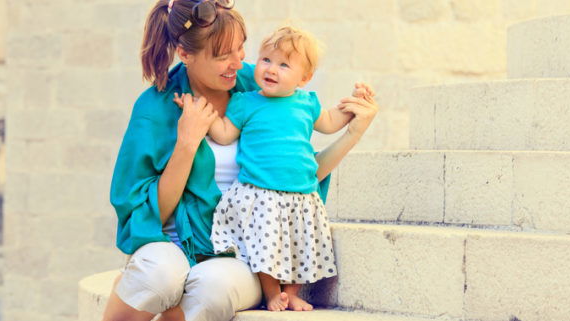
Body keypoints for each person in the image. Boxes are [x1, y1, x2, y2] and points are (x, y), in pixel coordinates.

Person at [102, 0, 379, 320]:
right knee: (159, 276)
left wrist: (353, 133)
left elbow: (296, 175)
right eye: (223, 55)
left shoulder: (259, 87)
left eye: (240, 48)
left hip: (244, 251)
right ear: (185, 54)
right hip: (173, 241)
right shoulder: (156, 108)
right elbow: (148, 211)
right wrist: (187, 144)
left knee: (211, 289)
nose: (239, 61)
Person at [173, 26, 374, 312]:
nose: (271, 69)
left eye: (283, 65)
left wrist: (357, 102)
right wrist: (198, 114)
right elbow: (225, 133)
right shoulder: (246, 102)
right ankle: (270, 293)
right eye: (266, 60)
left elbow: (330, 122)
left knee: (300, 244)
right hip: (260, 193)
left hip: (301, 194)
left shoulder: (307, 102)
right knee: (263, 245)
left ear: (304, 78)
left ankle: (291, 292)